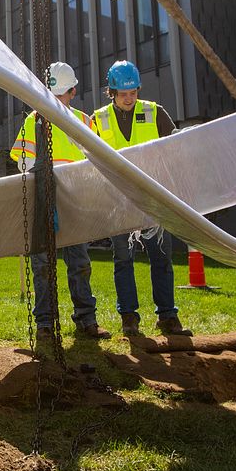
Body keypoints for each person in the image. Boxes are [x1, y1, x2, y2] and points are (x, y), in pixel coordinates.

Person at [10, 62, 110, 342]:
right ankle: (44, 323)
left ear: (73, 92)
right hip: (44, 200)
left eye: (61, 94)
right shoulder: (34, 121)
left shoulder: (84, 121)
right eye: (50, 94)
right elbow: (21, 160)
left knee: (79, 262)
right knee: (42, 264)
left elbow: (98, 161)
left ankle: (86, 319)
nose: (54, 101)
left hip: (75, 201)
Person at [92, 59, 192, 337]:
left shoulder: (154, 112)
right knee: (123, 259)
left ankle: (168, 316)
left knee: (161, 258)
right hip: (118, 201)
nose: (129, 98)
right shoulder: (98, 119)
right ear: (111, 92)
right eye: (123, 94)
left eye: (133, 92)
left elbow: (174, 148)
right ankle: (129, 318)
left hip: (153, 199)